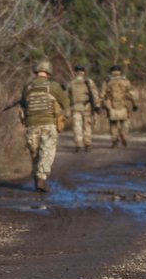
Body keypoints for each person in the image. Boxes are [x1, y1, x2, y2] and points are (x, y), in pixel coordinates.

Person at [20, 59, 70, 193]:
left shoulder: (27, 87)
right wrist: (65, 115)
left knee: (35, 154)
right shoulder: (53, 86)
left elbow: (23, 105)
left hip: (31, 126)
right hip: (48, 124)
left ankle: (37, 179)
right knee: (47, 152)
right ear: (48, 72)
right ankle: (41, 178)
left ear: (36, 71)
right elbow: (65, 103)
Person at [67, 65, 101, 152]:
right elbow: (95, 94)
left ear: (75, 72)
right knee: (87, 126)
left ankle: (79, 144)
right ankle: (87, 144)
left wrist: (67, 108)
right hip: (87, 107)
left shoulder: (71, 82)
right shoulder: (88, 81)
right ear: (84, 72)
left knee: (77, 126)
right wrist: (97, 105)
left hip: (75, 107)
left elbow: (67, 96)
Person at [102, 65, 137, 148]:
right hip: (124, 105)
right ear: (120, 72)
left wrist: (101, 105)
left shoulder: (108, 82)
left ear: (111, 72)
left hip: (112, 106)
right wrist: (134, 104)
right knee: (126, 122)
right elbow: (131, 94)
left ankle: (114, 140)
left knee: (113, 124)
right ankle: (123, 134)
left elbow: (102, 94)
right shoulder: (125, 81)